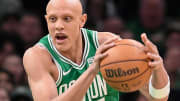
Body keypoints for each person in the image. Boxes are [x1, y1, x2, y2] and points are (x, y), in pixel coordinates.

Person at [23, 0, 170, 101]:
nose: (58, 26)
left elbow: (159, 97)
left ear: (82, 20)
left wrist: (158, 68)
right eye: (53, 19)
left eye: (67, 19)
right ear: (46, 20)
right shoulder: (37, 56)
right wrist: (92, 71)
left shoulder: (108, 44)